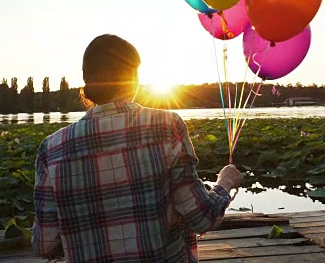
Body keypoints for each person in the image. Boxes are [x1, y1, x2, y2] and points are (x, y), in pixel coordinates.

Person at [32, 34, 243, 262]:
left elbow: (45, 244)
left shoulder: (51, 148)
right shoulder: (166, 126)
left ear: (86, 81)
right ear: (133, 79)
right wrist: (225, 183)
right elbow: (201, 218)